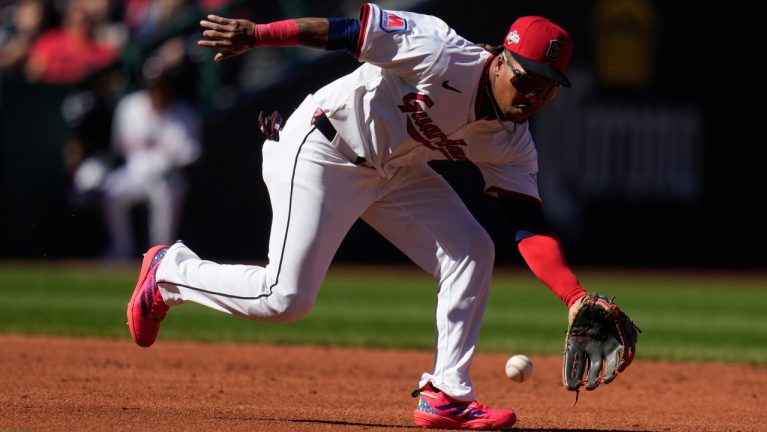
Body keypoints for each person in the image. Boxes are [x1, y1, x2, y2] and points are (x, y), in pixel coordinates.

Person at [128, 5, 593, 430]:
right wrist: (259, 34)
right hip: (322, 149)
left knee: (472, 250)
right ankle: (169, 273)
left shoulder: (511, 142)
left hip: (394, 172)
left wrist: (573, 297)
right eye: (526, 78)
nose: (533, 94)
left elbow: (528, 225)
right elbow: (350, 32)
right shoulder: (439, 49)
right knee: (284, 299)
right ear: (500, 60)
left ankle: (447, 393)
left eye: (547, 86)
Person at [95, 38, 200, 258]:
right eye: (152, 86)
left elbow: (191, 154)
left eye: (160, 86)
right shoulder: (129, 107)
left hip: (168, 178)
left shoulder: (184, 113)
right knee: (111, 191)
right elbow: (120, 147)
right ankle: (120, 250)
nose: (156, 92)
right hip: (136, 173)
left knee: (167, 192)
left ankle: (160, 256)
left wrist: (168, 163)